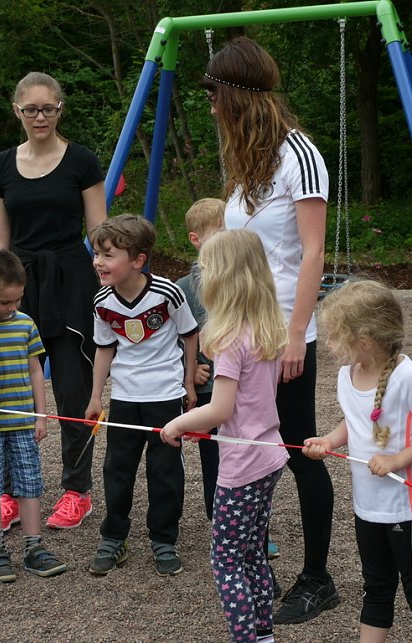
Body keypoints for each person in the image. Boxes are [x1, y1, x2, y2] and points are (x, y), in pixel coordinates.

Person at [202, 36, 337, 623]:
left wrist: (295, 333)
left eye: (213, 95)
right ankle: (256, 564)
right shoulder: (247, 162)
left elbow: (312, 254)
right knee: (244, 444)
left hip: (281, 332)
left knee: (299, 448)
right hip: (244, 328)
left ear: (236, 93)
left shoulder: (300, 155)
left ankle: (318, 578)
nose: (209, 107)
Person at [0, 71, 107, 530]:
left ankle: (77, 490)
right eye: (31, 109)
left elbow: (98, 231)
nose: (40, 117)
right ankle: (16, 491)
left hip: (72, 279)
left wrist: (114, 278)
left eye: (48, 108)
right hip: (19, 282)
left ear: (60, 109)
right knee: (11, 387)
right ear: (17, 112)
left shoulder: (82, 161)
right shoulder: (1, 166)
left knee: (73, 388)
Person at [161, 229, 289, 643]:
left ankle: (246, 637)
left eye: (207, 270)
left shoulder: (231, 338)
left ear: (223, 279)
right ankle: (264, 633)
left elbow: (221, 409)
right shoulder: (265, 327)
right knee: (252, 552)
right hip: (269, 456)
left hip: (244, 465)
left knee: (226, 560)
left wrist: (179, 423)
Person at [303, 280, 412, 643]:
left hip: (407, 511)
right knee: (376, 586)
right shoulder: (345, 375)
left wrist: (397, 459)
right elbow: (355, 422)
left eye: (334, 336)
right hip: (367, 507)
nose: (328, 344)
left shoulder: (408, 378)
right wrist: (329, 440)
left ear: (364, 339)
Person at [85, 214, 198, 577]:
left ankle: (164, 539)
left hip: (165, 396)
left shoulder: (167, 293)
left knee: (164, 472)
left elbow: (190, 335)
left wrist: (189, 383)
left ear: (138, 260)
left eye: (108, 255)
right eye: (97, 254)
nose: (99, 262)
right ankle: (114, 537)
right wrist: (96, 396)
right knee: (117, 469)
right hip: (125, 398)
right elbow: (104, 348)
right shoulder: (102, 300)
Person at [0, 249, 67, 582]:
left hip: (23, 424)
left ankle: (33, 548)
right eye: (4, 302)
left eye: (18, 300)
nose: (12, 308)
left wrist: (41, 416)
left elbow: (36, 372)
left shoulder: (25, 324)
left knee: (30, 485)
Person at [175, 197, 225, 522]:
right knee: (214, 456)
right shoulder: (182, 289)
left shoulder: (244, 279)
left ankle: (254, 528)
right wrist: (190, 371)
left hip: (240, 386)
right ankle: (219, 519)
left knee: (248, 453)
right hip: (208, 391)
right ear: (196, 239)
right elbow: (177, 338)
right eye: (220, 232)